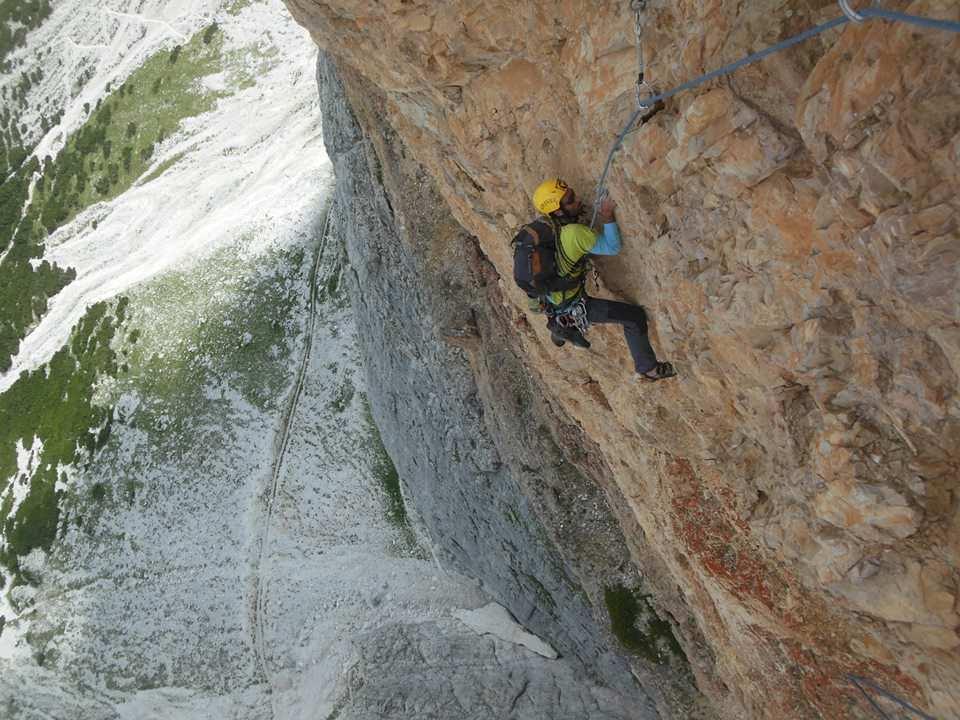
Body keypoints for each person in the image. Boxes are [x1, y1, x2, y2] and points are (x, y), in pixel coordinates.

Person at [530, 177, 676, 381]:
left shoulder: (544, 230)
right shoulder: (574, 233)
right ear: (558, 210)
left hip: (552, 297)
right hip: (572, 303)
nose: (577, 200)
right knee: (634, 317)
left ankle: (559, 329)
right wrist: (607, 217)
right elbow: (612, 247)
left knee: (560, 310)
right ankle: (648, 369)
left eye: (571, 194)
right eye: (571, 199)